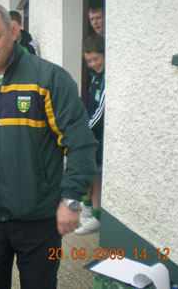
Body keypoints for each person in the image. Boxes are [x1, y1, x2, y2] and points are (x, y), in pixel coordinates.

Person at [0, 3, 98, 289]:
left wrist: (71, 200)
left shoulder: (50, 79)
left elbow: (80, 143)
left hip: (39, 219)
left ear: (13, 32)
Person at [75, 34, 105, 235]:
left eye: (96, 59)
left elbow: (100, 112)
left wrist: (83, 129)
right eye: (89, 61)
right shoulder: (95, 76)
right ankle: (85, 208)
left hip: (97, 138)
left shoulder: (107, 79)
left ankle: (96, 216)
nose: (93, 64)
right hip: (89, 135)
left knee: (94, 175)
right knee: (86, 171)